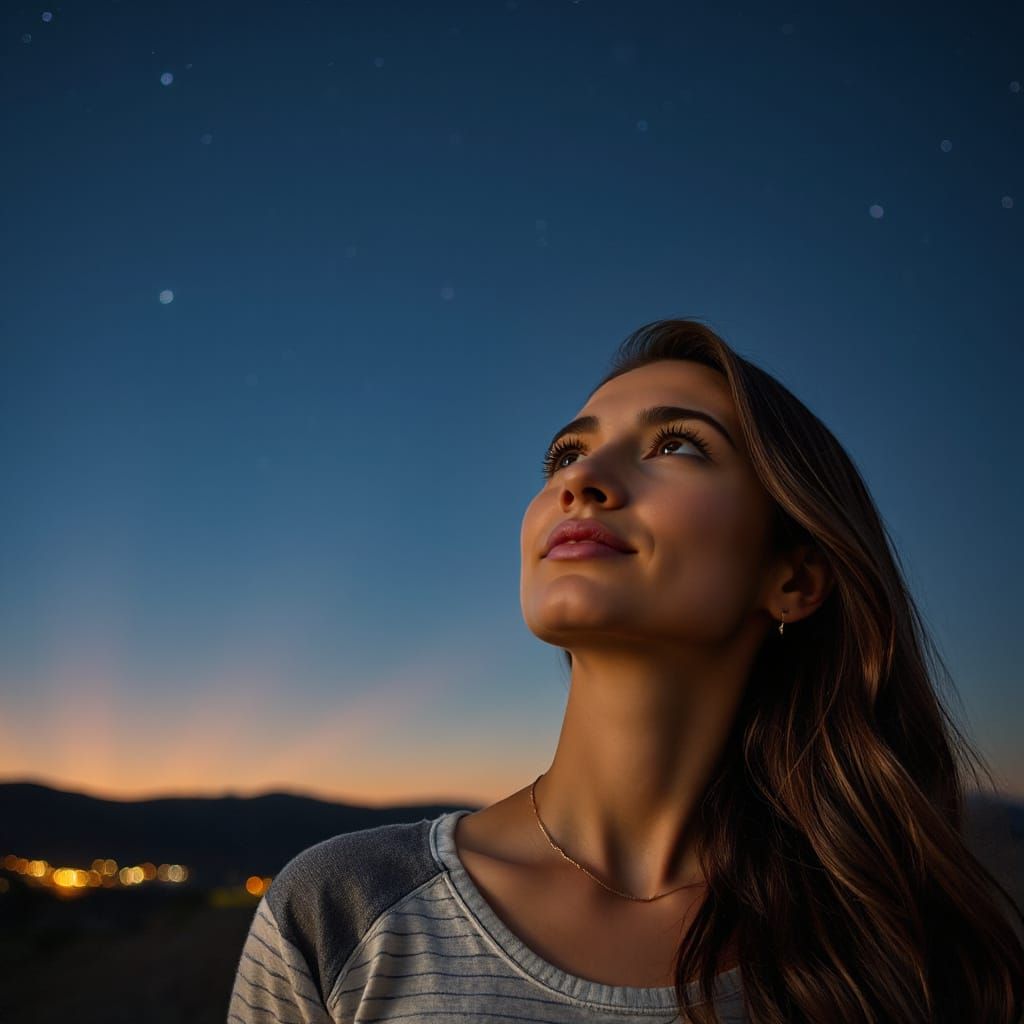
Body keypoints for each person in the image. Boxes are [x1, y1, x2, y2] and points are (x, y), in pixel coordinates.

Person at [227, 318, 1024, 1024]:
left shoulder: (902, 949)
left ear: (794, 579)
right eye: (565, 453)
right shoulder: (344, 910)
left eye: (677, 445)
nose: (578, 480)